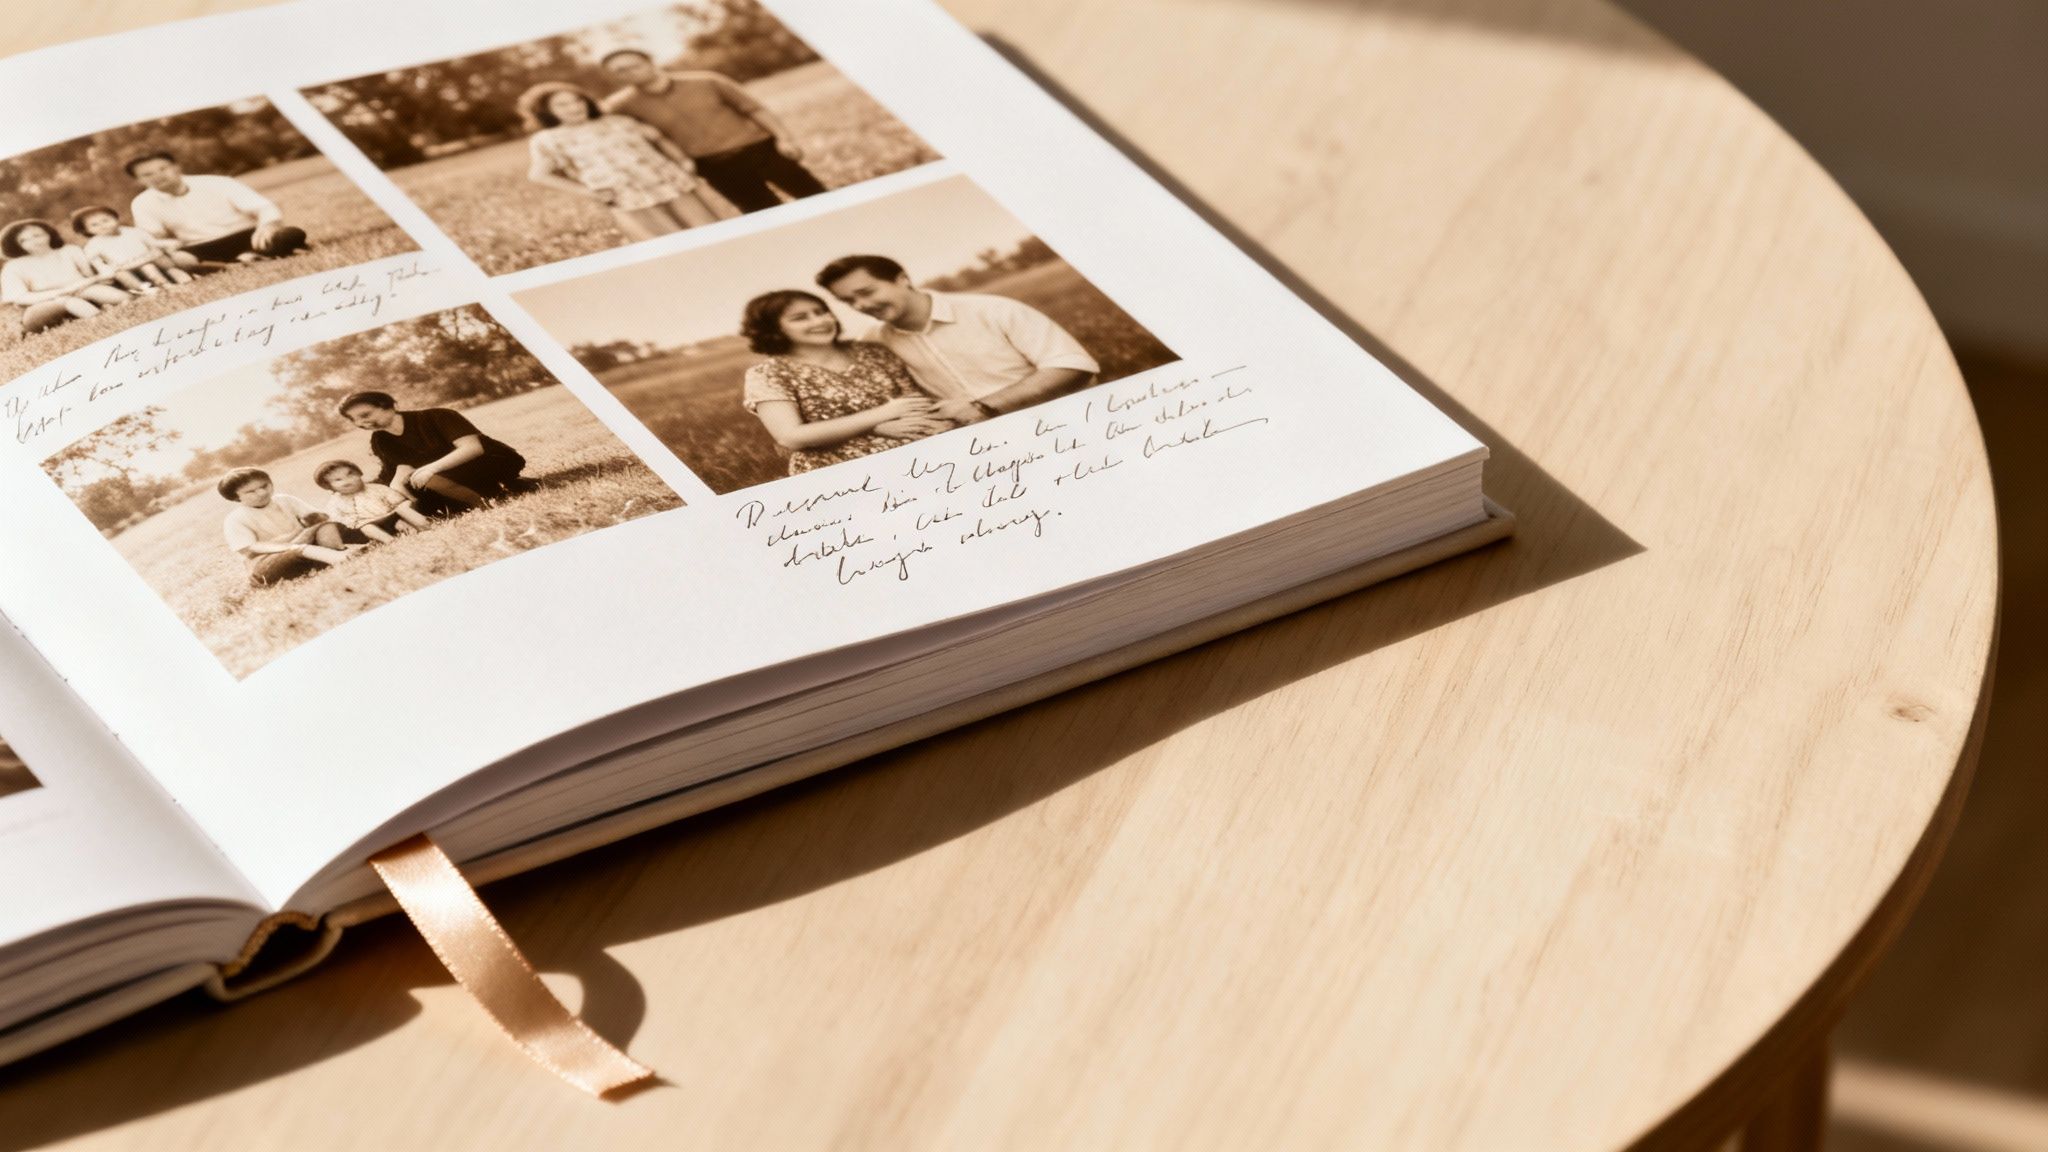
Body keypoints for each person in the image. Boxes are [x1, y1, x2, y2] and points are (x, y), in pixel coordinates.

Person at [816, 254, 1099, 425]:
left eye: (866, 292)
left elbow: (1072, 366)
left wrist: (983, 407)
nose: (861, 305)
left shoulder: (992, 309)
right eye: (848, 301)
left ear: (902, 279)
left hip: (1062, 417)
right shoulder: (874, 341)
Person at [739, 289, 951, 475]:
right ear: (774, 329)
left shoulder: (872, 351)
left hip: (913, 456)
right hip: (838, 471)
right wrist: (877, 422)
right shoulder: (768, 374)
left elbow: (911, 402)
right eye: (800, 318)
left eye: (821, 312)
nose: (820, 321)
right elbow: (790, 437)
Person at [600, 49, 828, 214]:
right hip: (714, 167)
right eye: (619, 71)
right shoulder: (622, 105)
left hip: (762, 150)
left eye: (633, 65)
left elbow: (755, 109)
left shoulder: (707, 81)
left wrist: (785, 139)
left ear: (650, 61)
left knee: (814, 196)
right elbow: (590, 117)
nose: (628, 72)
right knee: (764, 213)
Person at [521, 82, 723, 242]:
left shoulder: (618, 121)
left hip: (671, 183)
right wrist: (589, 192)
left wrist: (683, 161)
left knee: (710, 231)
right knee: (669, 242)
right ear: (546, 111)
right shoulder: (548, 139)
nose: (574, 107)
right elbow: (538, 175)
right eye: (562, 104)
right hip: (626, 197)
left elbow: (658, 138)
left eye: (577, 100)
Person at [337, 391, 533, 516]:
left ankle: (487, 503)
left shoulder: (437, 416)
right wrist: (358, 489)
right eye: (354, 420)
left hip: (490, 462)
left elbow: (473, 448)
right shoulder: (381, 439)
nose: (362, 423)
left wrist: (430, 469)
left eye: (365, 415)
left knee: (427, 480)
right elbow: (397, 471)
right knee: (416, 499)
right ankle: (488, 494)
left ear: (389, 405)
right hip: (447, 477)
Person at [126, 150, 310, 263]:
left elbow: (264, 207)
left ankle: (249, 256)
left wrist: (268, 225)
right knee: (177, 260)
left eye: (163, 168)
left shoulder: (217, 182)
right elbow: (153, 236)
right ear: (138, 180)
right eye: (147, 174)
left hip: (247, 236)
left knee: (291, 234)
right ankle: (248, 259)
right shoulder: (142, 202)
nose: (158, 176)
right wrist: (165, 245)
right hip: (201, 247)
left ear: (176, 167)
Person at [217, 468, 365, 586]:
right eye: (251, 491)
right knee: (298, 549)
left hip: (306, 547)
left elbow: (317, 517)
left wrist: (316, 520)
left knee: (326, 526)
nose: (262, 492)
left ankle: (333, 553)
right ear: (236, 497)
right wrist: (290, 545)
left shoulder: (284, 500)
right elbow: (249, 548)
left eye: (264, 486)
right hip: (269, 562)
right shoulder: (236, 518)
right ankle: (342, 557)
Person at [0, 219, 132, 333]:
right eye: (24, 240)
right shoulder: (14, 266)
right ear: (17, 244)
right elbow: (20, 298)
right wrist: (61, 293)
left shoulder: (70, 251)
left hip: (81, 290)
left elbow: (89, 275)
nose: (33, 241)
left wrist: (100, 277)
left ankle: (129, 306)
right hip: (41, 306)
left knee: (102, 293)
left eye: (37, 235)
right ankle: (104, 323)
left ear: (48, 234)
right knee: (69, 301)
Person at [70, 205, 196, 294]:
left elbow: (153, 243)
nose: (102, 225)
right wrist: (105, 270)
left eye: (106, 220)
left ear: (116, 219)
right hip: (126, 267)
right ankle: (143, 288)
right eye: (94, 225)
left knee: (156, 261)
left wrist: (168, 243)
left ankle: (178, 278)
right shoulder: (93, 245)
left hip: (148, 259)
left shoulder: (133, 232)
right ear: (86, 230)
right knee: (121, 274)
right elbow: (96, 261)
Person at [314, 459, 430, 543]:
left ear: (359, 474)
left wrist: (399, 507)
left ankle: (425, 525)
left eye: (350, 474)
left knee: (403, 510)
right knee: (366, 527)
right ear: (328, 486)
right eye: (338, 480)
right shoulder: (335, 502)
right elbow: (338, 520)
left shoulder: (375, 488)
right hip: (368, 525)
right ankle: (390, 541)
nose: (347, 481)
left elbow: (396, 499)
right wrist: (355, 523)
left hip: (392, 516)